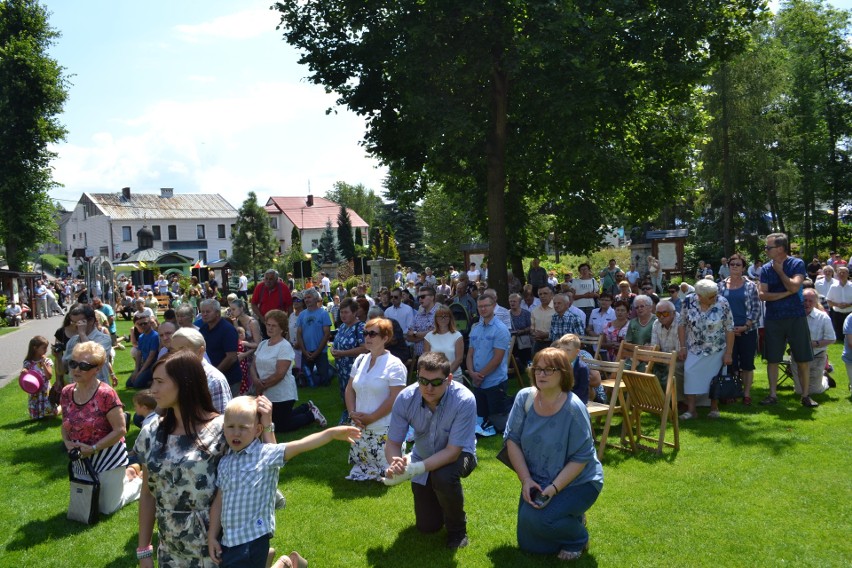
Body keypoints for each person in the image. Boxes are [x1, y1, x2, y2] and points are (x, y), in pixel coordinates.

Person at [207, 396, 359, 568]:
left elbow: (301, 444)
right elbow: (219, 502)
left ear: (257, 430)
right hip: (229, 542)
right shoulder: (225, 463)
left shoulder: (265, 454)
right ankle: (285, 564)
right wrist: (212, 536)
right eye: (231, 427)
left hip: (253, 539)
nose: (236, 433)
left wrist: (331, 433)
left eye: (243, 427)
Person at [135, 351, 237, 567]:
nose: (153, 389)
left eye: (160, 382)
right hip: (170, 547)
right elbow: (147, 494)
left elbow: (260, 468)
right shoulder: (151, 432)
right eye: (153, 382)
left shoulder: (222, 430)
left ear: (185, 383)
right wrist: (144, 552)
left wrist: (267, 427)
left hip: (216, 545)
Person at [504, 348, 603, 562]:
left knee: (541, 522)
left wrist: (554, 489)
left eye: (549, 370)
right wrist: (526, 480)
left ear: (564, 373)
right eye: (538, 369)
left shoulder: (574, 408)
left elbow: (581, 458)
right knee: (529, 544)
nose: (541, 374)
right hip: (538, 478)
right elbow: (511, 440)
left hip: (579, 482)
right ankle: (570, 517)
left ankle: (578, 537)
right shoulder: (524, 398)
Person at [382, 352, 478, 549]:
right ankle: (443, 501)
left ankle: (457, 529)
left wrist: (413, 469)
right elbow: (392, 443)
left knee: (443, 476)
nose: (428, 388)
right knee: (427, 526)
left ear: (449, 379)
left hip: (460, 454)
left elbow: (452, 452)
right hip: (422, 455)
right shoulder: (405, 397)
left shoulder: (464, 400)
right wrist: (395, 461)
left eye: (436, 382)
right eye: (423, 381)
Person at [61, 341, 141, 515]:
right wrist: (67, 443)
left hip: (108, 454)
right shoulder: (67, 392)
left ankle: (139, 481)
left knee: (107, 508)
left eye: (83, 366)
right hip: (81, 455)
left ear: (97, 369)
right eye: (73, 363)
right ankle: (127, 475)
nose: (76, 370)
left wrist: (94, 448)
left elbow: (120, 430)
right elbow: (65, 424)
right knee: (89, 502)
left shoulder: (106, 394)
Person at [344, 317, 407, 481]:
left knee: (388, 472)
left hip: (383, 427)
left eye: (372, 334)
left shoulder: (395, 364)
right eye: (365, 333)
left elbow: (396, 398)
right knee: (361, 468)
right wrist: (352, 413)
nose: (367, 337)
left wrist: (372, 417)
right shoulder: (360, 360)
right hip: (360, 425)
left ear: (385, 338)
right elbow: (350, 389)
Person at [758, 233, 817, 408]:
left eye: (768, 247)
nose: (766, 250)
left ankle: (806, 396)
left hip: (795, 317)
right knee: (773, 359)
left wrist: (780, 272)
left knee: (802, 358)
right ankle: (773, 395)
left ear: (781, 249)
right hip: (774, 318)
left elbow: (794, 286)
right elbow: (762, 295)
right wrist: (785, 294)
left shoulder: (796, 263)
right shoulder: (765, 269)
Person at [253, 309, 326, 433]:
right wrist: (255, 381)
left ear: (281, 328)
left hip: (282, 394)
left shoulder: (284, 346)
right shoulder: (263, 344)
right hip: (265, 391)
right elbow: (253, 365)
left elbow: (279, 374)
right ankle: (306, 407)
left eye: (273, 326)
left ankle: (311, 415)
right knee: (272, 420)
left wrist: (261, 386)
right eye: (268, 325)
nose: (269, 328)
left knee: (280, 426)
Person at [678, 278, 734, 420]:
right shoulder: (688, 301)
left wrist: (728, 353)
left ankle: (714, 408)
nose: (714, 298)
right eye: (711, 296)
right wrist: (683, 346)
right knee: (689, 373)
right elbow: (681, 324)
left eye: (715, 294)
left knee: (714, 379)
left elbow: (729, 328)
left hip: (716, 348)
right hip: (694, 347)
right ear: (699, 296)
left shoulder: (722, 302)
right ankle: (691, 410)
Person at [717, 253, 761, 405]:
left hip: (747, 330)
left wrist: (745, 326)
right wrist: (727, 328)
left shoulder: (750, 286)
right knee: (730, 362)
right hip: (726, 332)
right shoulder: (720, 286)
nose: (735, 267)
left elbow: (756, 309)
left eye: (738, 264)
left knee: (747, 364)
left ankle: (746, 394)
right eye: (732, 264)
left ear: (743, 268)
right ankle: (732, 391)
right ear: (728, 267)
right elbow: (717, 308)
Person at [467, 295, 512, 432]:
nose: (483, 309)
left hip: (494, 382)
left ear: (493, 306)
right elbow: (469, 354)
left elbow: (497, 359)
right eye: (480, 306)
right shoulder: (476, 328)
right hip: (477, 381)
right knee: (480, 417)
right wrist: (471, 373)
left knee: (497, 421)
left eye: (486, 305)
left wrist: (479, 376)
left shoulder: (500, 329)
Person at [170, 327, 233, 414]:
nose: (175, 355)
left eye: (182, 350)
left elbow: (222, 420)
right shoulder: (171, 375)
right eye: (173, 351)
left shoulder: (214, 380)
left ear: (200, 351)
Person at [790, 289, 836, 396]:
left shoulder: (823, 317)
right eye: (805, 300)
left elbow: (832, 339)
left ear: (816, 302)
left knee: (814, 391)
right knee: (799, 391)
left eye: (810, 301)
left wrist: (814, 344)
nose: (807, 303)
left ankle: (825, 379)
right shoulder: (793, 316)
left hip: (817, 356)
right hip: (797, 355)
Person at [331, 298, 368, 424]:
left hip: (355, 368)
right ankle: (349, 414)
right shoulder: (342, 327)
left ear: (354, 313)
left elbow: (365, 348)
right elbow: (337, 343)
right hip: (342, 369)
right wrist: (333, 350)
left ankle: (357, 418)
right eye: (341, 312)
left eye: (346, 312)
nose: (343, 315)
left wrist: (342, 353)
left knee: (356, 394)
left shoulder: (360, 327)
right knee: (346, 393)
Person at [63, 304, 115, 385]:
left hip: (98, 388)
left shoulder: (104, 339)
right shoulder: (72, 340)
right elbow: (65, 366)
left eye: (79, 322)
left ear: (91, 321)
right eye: (73, 322)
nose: (75, 325)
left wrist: (82, 334)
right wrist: (58, 356)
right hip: (76, 388)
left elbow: (92, 358)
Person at [199, 299, 242, 396]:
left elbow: (231, 357)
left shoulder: (227, 330)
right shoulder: (203, 329)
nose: (204, 314)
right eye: (202, 312)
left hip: (229, 379)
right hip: (209, 379)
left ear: (217, 313)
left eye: (208, 311)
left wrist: (214, 374)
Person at [295, 289, 333, 387]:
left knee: (324, 381)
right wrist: (304, 351)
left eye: (309, 297)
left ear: (316, 299)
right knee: (305, 380)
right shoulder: (302, 315)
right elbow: (299, 334)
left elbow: (326, 334)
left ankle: (331, 371)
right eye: (305, 298)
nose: (307, 300)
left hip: (321, 352)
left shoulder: (323, 313)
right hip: (306, 352)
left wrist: (317, 352)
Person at [424, 304, 464, 380]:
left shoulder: (457, 336)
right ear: (436, 319)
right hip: (434, 377)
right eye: (440, 316)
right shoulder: (428, 337)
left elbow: (459, 359)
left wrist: (446, 375)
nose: (443, 318)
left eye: (445, 316)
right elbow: (427, 359)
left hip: (453, 376)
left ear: (450, 318)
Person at [22, 335, 58, 419]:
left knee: (51, 413)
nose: (46, 350)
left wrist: (44, 364)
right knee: (35, 415)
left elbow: (49, 376)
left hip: (45, 389)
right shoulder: (28, 362)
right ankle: (37, 415)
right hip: (34, 389)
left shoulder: (47, 361)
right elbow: (25, 372)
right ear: (35, 348)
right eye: (44, 348)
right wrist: (24, 371)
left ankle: (58, 410)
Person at [251, 269, 294, 338]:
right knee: (266, 341)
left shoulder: (283, 288)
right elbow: (253, 304)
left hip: (279, 323)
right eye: (266, 278)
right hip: (264, 322)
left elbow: (290, 306)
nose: (268, 281)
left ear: (276, 279)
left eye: (271, 279)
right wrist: (261, 318)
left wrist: (288, 321)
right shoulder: (260, 287)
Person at [128, 315, 159, 389]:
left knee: (136, 384)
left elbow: (151, 357)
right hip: (144, 364)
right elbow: (139, 354)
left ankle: (153, 382)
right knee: (129, 384)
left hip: (153, 366)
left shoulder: (155, 336)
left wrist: (140, 372)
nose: (143, 325)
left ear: (149, 323)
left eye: (145, 323)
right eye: (140, 324)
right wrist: (136, 369)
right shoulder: (141, 337)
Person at [407, 286, 438, 357]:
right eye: (419, 297)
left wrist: (415, 333)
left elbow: (436, 334)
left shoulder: (439, 314)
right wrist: (427, 334)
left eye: (423, 297)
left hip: (434, 357)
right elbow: (409, 337)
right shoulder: (418, 315)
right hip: (418, 358)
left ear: (432, 297)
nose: (420, 299)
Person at [508, 293, 533, 373]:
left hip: (524, 341)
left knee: (526, 358)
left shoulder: (526, 313)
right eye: (511, 301)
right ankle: (517, 372)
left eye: (514, 301)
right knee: (513, 358)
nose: (512, 303)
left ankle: (530, 372)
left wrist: (522, 331)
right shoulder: (506, 314)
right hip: (511, 341)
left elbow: (531, 327)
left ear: (519, 302)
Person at [826, 265, 852, 341]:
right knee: (839, 336)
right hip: (837, 314)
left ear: (848, 274)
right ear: (837, 274)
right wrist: (837, 305)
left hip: (850, 314)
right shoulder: (833, 287)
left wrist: (849, 304)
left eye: (844, 273)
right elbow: (828, 300)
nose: (842, 274)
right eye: (840, 273)